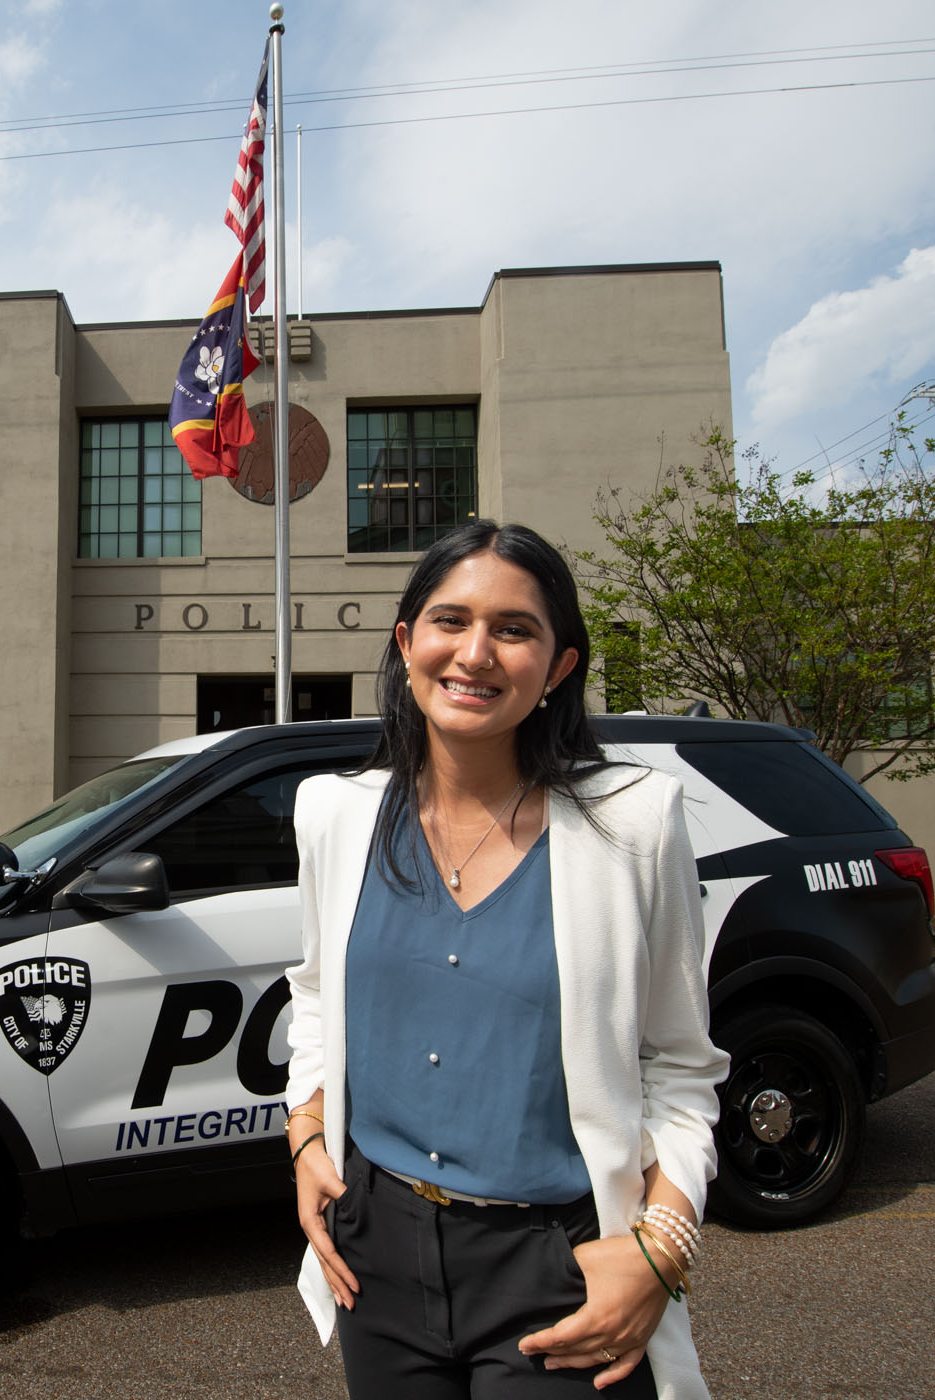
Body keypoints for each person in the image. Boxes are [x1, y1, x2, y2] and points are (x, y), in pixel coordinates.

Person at [283, 520, 728, 1399]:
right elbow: (317, 998)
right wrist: (303, 1138)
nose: (476, 653)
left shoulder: (637, 820)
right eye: (450, 621)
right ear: (408, 643)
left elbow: (681, 1063)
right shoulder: (333, 814)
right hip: (376, 1251)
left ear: (559, 666)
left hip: (556, 1266)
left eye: (515, 629)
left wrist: (662, 1248)